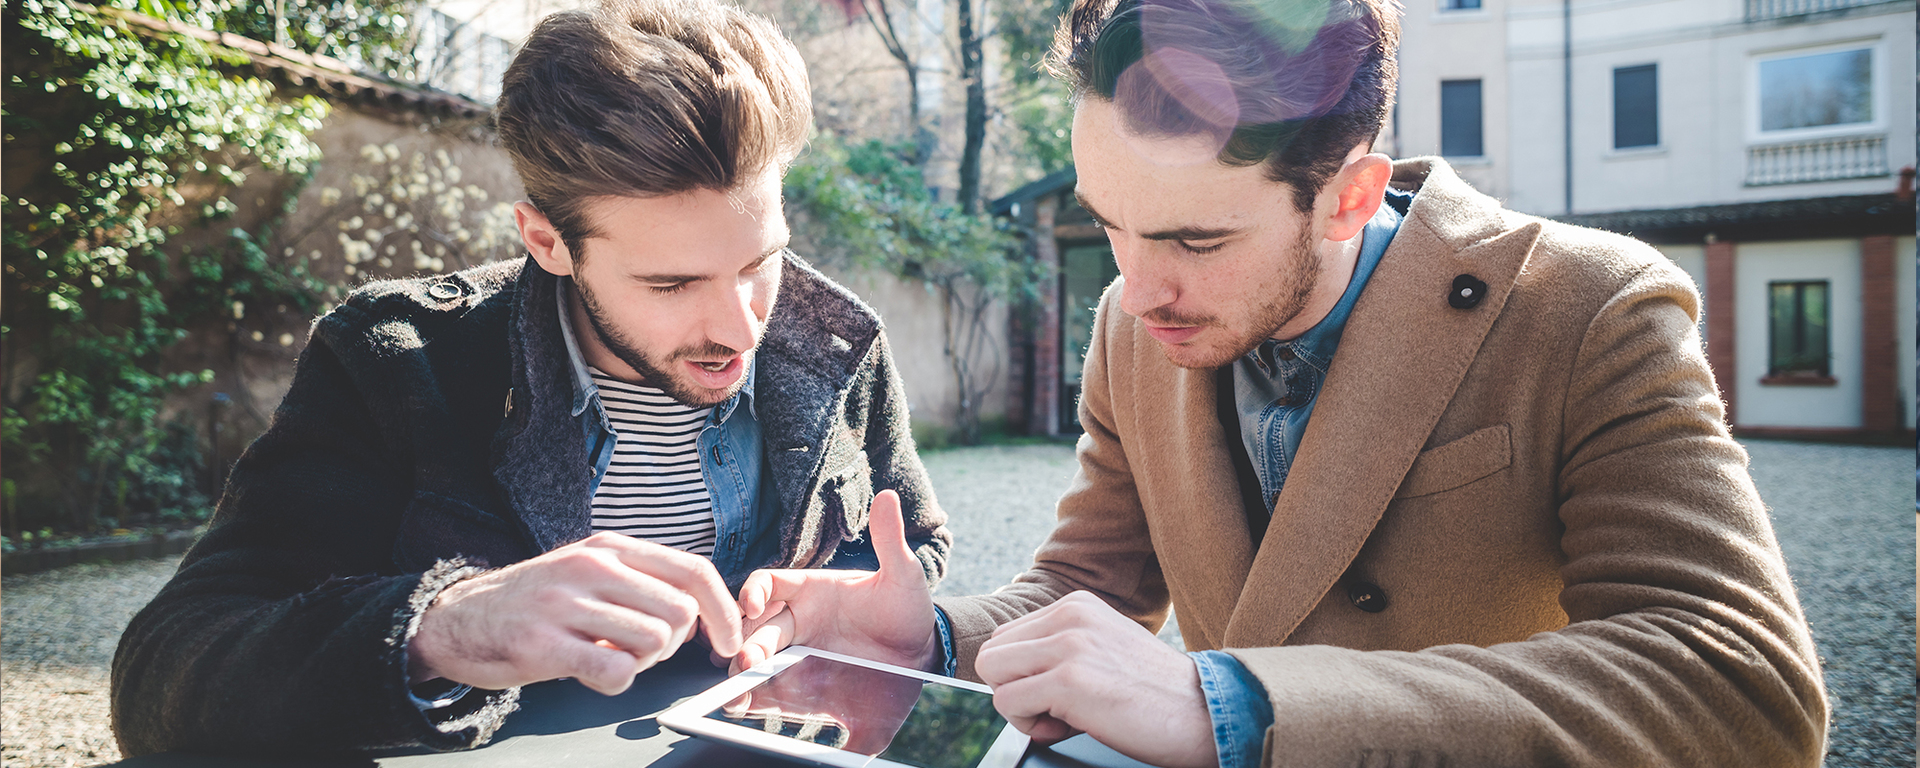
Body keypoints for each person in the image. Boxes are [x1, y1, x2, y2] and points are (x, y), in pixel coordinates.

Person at [733, 0, 1827, 765]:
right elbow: (1094, 587)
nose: (1140, 286)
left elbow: (1741, 689)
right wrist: (925, 637)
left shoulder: (1588, 308)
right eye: (1110, 224)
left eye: (1197, 241)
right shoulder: (1129, 323)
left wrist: (1237, 706)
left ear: (1349, 195)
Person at [109, 0, 950, 756]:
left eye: (761, 262)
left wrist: (902, 629)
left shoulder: (842, 348)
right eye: (671, 284)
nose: (741, 328)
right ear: (547, 241)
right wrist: (443, 629)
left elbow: (909, 553)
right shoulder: (394, 363)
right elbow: (163, 677)